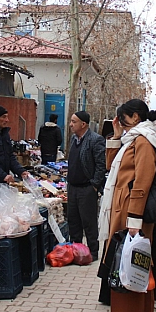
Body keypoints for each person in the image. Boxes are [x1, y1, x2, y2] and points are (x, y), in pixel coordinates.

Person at [98, 99, 156, 312]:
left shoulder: (144, 140)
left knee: (127, 265)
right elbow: (113, 169)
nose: (120, 122)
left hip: (130, 213)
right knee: (138, 263)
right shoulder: (133, 138)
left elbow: (143, 180)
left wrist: (135, 219)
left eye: (123, 118)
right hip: (125, 210)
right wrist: (116, 136)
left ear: (136, 117)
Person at [67, 111, 106, 260]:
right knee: (73, 220)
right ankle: (77, 251)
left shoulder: (95, 140)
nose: (71, 124)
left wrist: (94, 185)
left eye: (74, 121)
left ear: (83, 124)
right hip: (73, 187)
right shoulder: (73, 139)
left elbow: (101, 165)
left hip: (87, 188)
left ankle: (93, 252)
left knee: (88, 221)